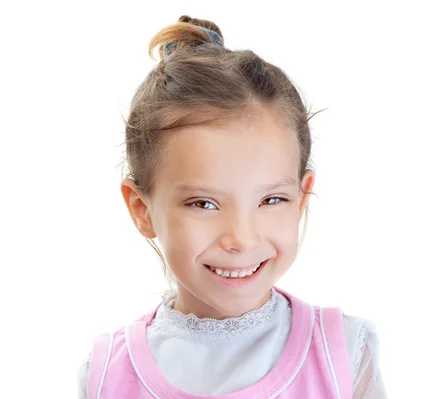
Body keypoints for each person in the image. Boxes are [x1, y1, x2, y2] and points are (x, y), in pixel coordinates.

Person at [77, 15, 386, 398]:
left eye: (271, 199)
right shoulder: (107, 374)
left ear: (302, 198)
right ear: (142, 209)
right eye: (203, 203)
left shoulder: (344, 354)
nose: (241, 238)